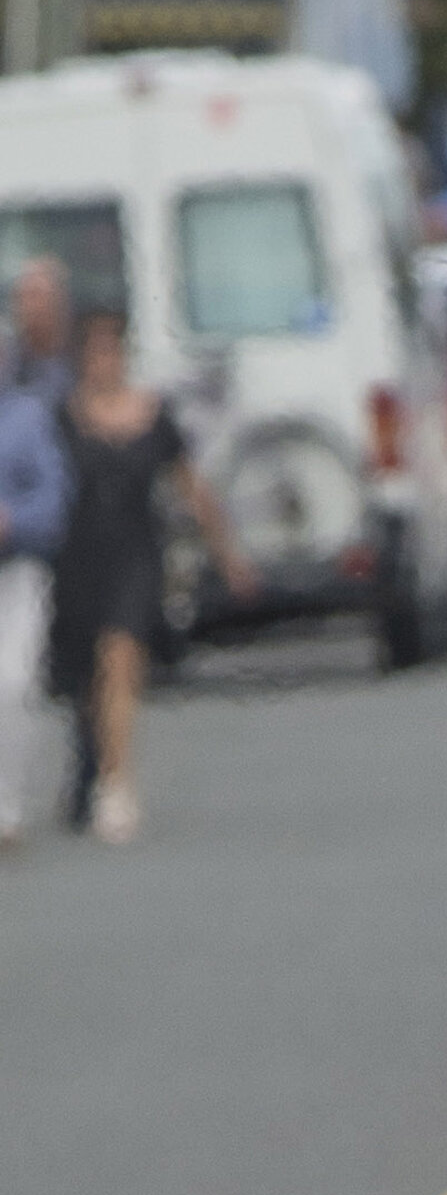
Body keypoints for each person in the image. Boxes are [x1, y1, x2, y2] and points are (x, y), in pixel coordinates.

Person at [49, 306, 236, 847]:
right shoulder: (63, 416)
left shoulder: (154, 415)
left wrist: (226, 553)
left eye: (113, 349)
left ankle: (118, 782)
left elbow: (189, 485)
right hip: (79, 556)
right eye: (94, 350)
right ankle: (92, 771)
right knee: (89, 675)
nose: (104, 360)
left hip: (136, 552)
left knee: (121, 653)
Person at [0, 314, 64, 850]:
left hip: (16, 567)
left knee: (15, 683)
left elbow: (53, 500)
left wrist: (11, 519)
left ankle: (7, 805)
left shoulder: (28, 418)